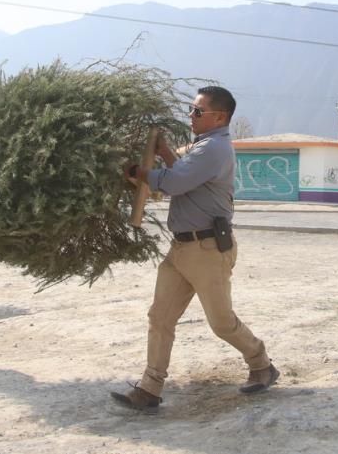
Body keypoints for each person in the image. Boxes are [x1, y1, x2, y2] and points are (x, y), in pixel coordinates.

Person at [111, 86, 279, 412]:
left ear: (220, 117)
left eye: (197, 111)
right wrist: (163, 154)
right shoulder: (204, 148)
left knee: (221, 323)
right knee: (160, 317)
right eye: (191, 109)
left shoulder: (214, 149)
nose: (191, 115)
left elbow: (173, 183)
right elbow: (183, 176)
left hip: (207, 250)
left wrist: (138, 173)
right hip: (181, 249)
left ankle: (261, 365)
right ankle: (149, 388)